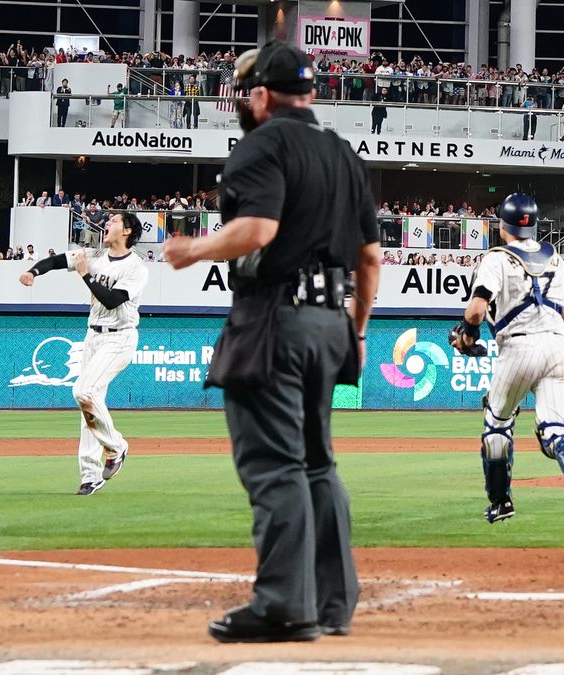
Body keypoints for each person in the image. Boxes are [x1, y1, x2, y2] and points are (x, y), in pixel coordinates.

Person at [162, 41, 381, 644]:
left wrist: (192, 250)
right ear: (308, 94)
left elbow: (259, 229)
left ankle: (285, 604)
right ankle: (333, 604)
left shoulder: (262, 144)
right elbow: (369, 256)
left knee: (275, 464)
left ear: (261, 95)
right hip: (331, 321)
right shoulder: (343, 154)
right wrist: (356, 331)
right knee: (318, 463)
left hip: (275, 321)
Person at [448, 192, 564, 526]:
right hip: (559, 346)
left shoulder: (496, 258)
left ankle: (501, 501)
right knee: (553, 426)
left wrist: (468, 334)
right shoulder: (554, 257)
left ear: (503, 224)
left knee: (497, 424)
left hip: (518, 347)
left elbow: (475, 308)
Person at [19, 212, 148, 495]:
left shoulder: (136, 267)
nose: (107, 224)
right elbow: (55, 261)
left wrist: (85, 275)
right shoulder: (95, 254)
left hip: (120, 338)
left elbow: (113, 300)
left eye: (113, 221)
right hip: (93, 336)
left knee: (83, 392)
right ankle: (90, 475)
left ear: (127, 231)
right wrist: (34, 272)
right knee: (88, 403)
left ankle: (116, 446)